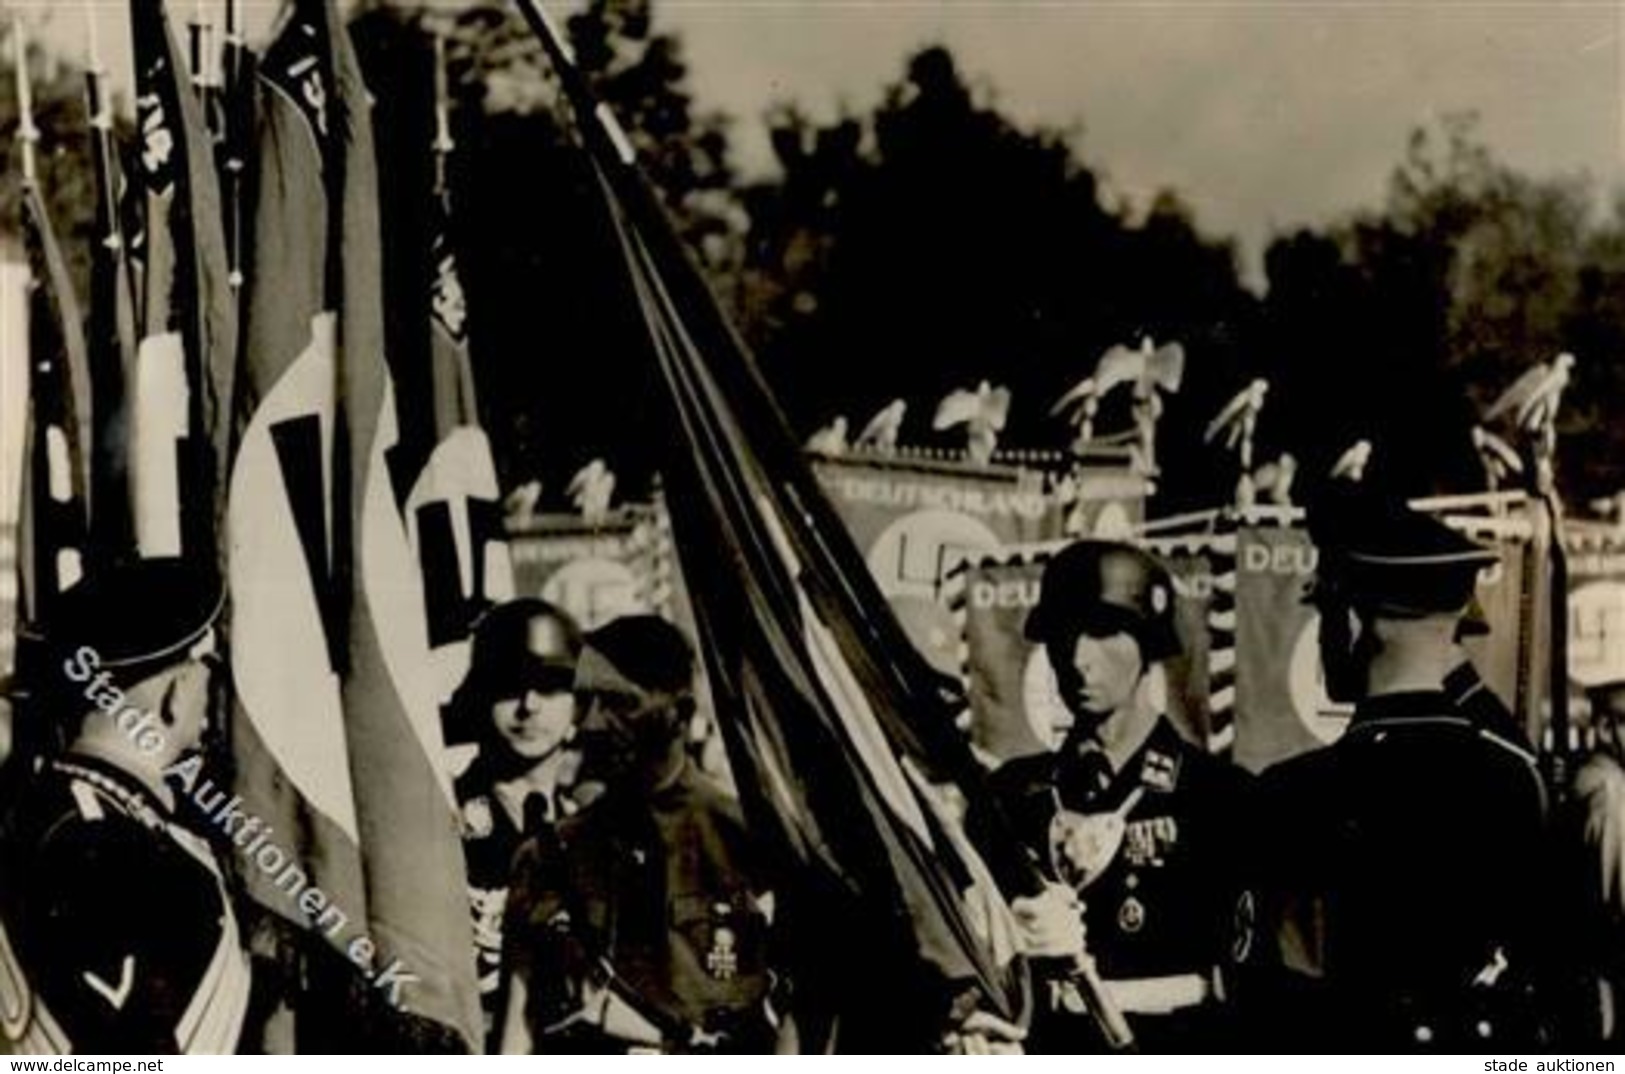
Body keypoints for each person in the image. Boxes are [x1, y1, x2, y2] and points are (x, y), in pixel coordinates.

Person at [1245, 494, 1550, 1050]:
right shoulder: (1513, 779)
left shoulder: (1294, 793)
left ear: (1355, 622)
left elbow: (1264, 995)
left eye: (1328, 612)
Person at [982, 539, 1251, 1051]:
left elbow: (1248, 990)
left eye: (1103, 632)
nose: (1079, 656)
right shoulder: (1010, 798)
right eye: (1063, 633)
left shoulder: (1217, 799)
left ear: (1148, 642)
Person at [500, 615, 787, 1053]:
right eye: (586, 702)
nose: (592, 725)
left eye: (617, 703)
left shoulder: (751, 844)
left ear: (681, 714)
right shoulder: (549, 856)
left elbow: (803, 1011)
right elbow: (518, 1032)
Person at [0, 560, 250, 1054]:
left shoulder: (38, 815)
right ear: (173, 698)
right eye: (208, 672)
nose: (210, 693)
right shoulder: (112, 848)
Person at [446, 598, 583, 1051]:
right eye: (510, 686)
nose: (529, 706)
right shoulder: (441, 818)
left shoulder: (598, 833)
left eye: (549, 687)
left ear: (578, 708)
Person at [1554, 676, 1625, 1044]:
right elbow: (1619, 906)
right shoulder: (1611, 794)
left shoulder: (1595, 781)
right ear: (1605, 727)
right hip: (1606, 985)